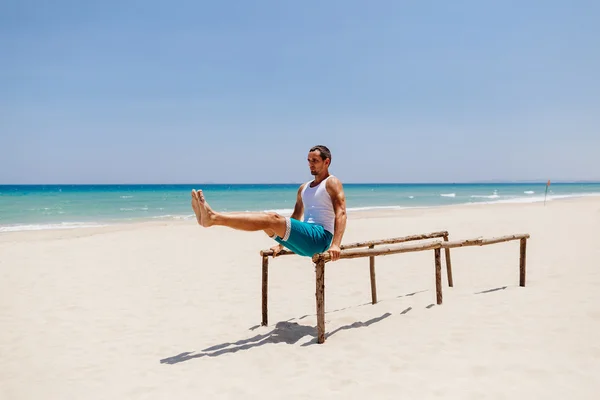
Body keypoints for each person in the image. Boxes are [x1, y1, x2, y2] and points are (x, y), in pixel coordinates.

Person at [190, 145, 347, 261]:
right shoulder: (303, 188)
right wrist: (281, 244)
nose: (310, 164)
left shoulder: (332, 182)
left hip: (320, 238)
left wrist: (336, 245)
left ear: (327, 162)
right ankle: (213, 217)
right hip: (306, 240)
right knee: (265, 222)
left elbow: (341, 213)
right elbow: (295, 217)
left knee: (271, 218)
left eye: (315, 160)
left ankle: (213, 218)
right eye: (308, 160)